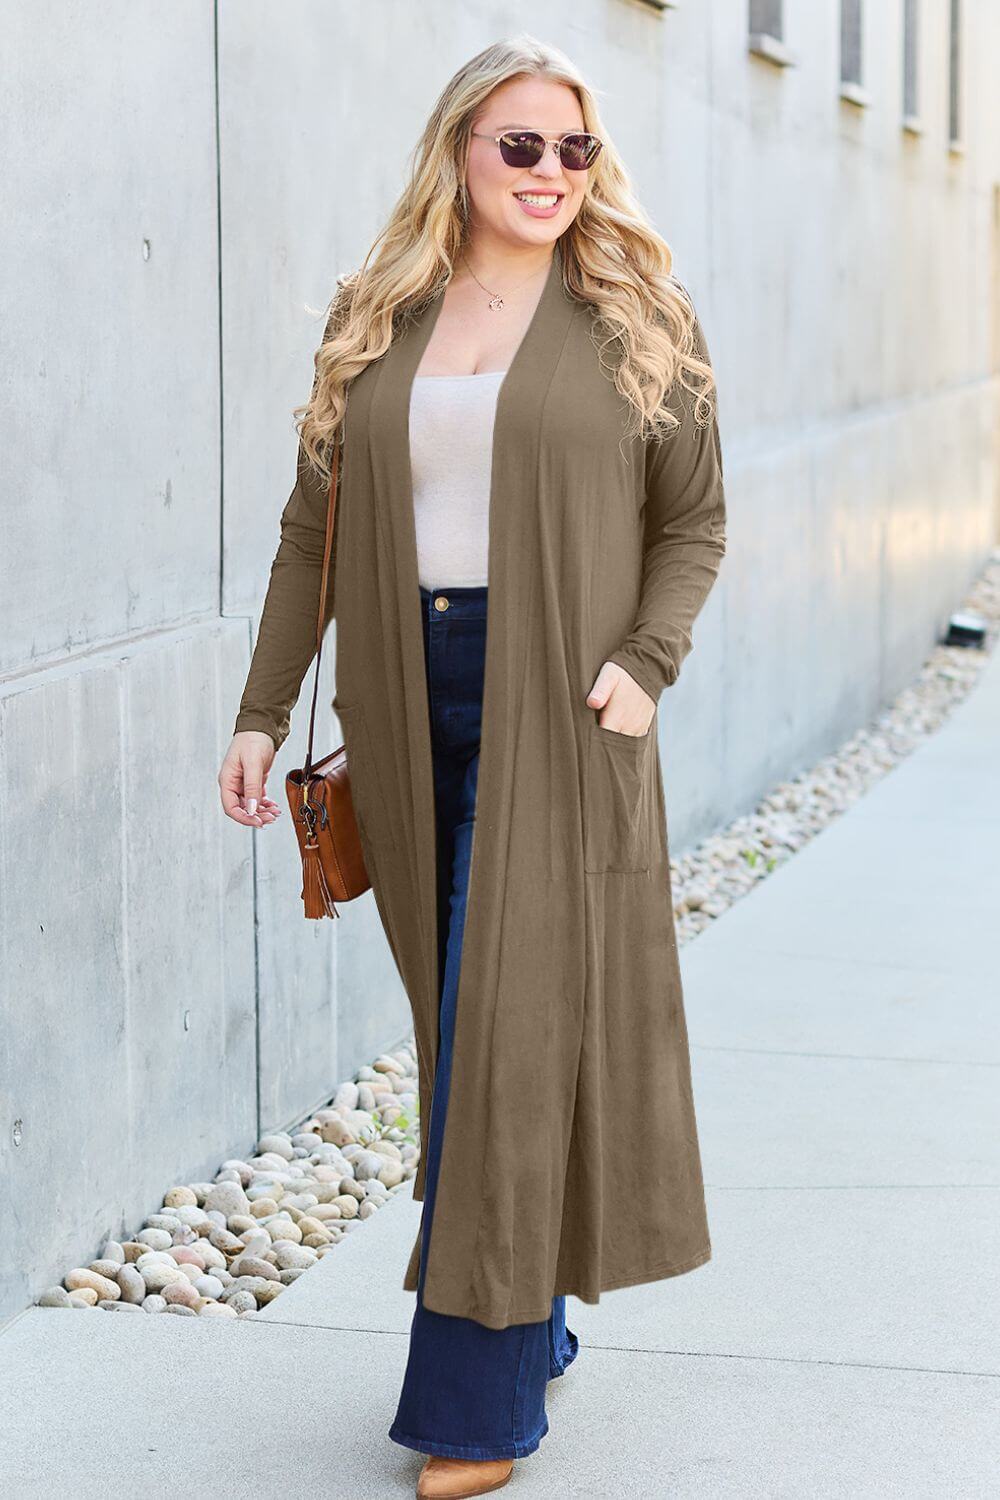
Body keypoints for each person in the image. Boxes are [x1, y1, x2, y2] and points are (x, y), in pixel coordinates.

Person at [219, 33, 726, 1500]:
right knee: (470, 1030)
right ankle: (534, 1308)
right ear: (459, 151)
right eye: (523, 146)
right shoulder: (378, 316)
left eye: (575, 148)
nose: (554, 174)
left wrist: (646, 665)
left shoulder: (639, 317)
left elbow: (693, 523)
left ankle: (476, 1399)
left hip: (563, 703)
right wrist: (262, 713)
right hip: (401, 692)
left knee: (505, 1027)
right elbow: (312, 535)